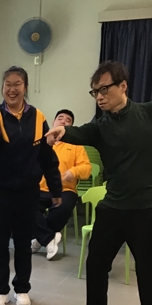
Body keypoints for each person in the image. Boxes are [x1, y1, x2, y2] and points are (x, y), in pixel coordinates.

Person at [47, 60, 152, 305]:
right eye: (95, 92)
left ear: (123, 86)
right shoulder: (100, 127)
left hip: (147, 208)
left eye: (104, 89)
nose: (99, 97)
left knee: (147, 272)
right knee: (96, 263)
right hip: (113, 206)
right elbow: (79, 133)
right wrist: (61, 132)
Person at [0, 66, 61, 305]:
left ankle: (22, 289)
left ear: (25, 87)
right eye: (8, 84)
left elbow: (47, 155)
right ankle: (0, 291)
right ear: (3, 88)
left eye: (17, 84)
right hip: (0, 192)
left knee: (22, 244)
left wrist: (55, 188)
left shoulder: (38, 117)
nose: (12, 89)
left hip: (28, 192)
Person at [32, 109, 91, 260]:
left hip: (65, 189)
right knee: (25, 206)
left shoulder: (76, 146)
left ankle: (39, 240)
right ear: (53, 122)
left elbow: (87, 169)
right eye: (60, 118)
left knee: (63, 207)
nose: (63, 121)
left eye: (68, 120)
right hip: (40, 188)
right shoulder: (41, 143)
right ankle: (48, 239)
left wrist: (73, 172)